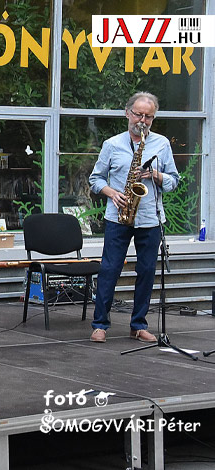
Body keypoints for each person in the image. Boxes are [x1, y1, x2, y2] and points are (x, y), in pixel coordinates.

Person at [88, 92, 179, 343]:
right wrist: (112, 193)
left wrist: (156, 175)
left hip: (150, 217)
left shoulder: (161, 144)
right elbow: (95, 180)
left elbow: (174, 181)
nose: (143, 120)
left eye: (148, 116)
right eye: (138, 114)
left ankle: (138, 324)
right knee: (109, 269)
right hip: (118, 216)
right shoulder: (112, 144)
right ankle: (100, 325)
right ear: (127, 113)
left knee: (147, 271)